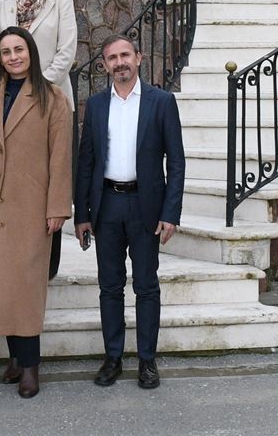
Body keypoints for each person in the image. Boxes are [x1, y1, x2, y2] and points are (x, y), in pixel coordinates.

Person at [74, 35, 186, 390]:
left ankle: (147, 360)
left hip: (145, 206)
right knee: (109, 286)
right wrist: (82, 214)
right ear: (105, 65)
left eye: (125, 55)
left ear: (138, 58)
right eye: (112, 58)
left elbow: (177, 162)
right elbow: (86, 162)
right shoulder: (96, 105)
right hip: (106, 205)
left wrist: (171, 212)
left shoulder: (161, 102)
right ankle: (113, 357)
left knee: (146, 286)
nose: (119, 62)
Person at [0, 27, 72, 398]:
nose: (13, 57)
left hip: (31, 207)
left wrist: (57, 207)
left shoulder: (53, 98)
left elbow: (61, 157)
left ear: (31, 53)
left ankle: (30, 367)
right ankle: (14, 358)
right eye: (6, 51)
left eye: (19, 49)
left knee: (24, 288)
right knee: (1, 284)